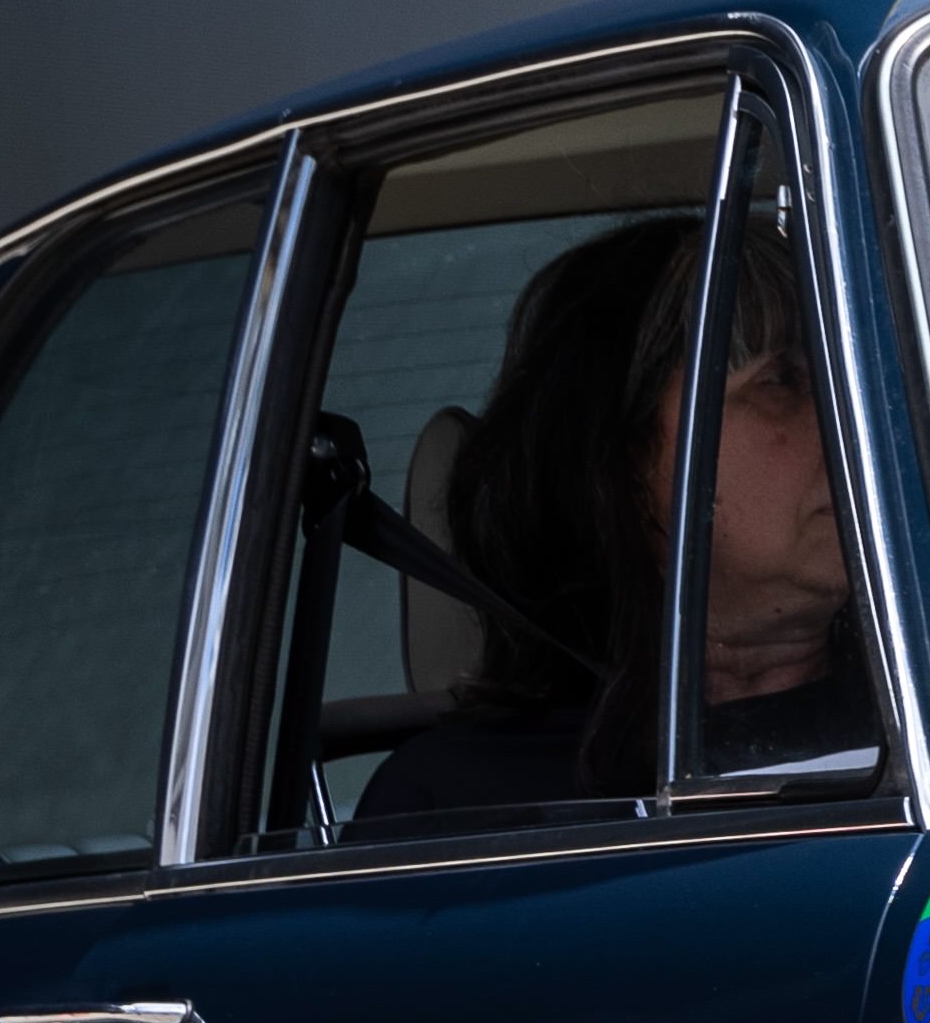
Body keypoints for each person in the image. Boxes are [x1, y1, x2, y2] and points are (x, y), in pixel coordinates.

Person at [352, 207, 878, 827]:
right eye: (783, 380)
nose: (856, 422)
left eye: (852, 380)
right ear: (623, 464)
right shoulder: (464, 807)